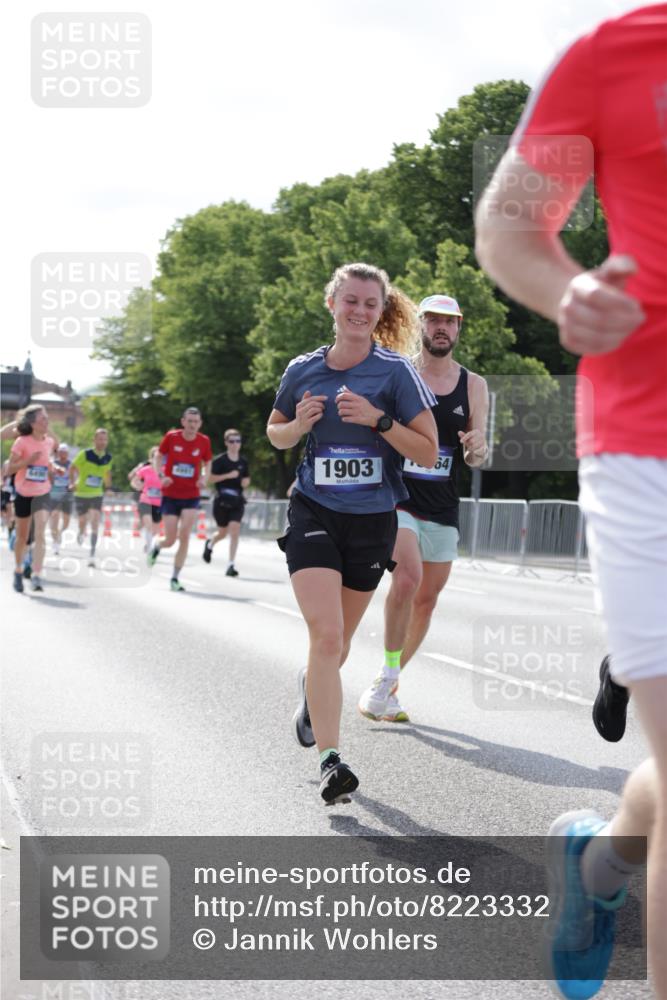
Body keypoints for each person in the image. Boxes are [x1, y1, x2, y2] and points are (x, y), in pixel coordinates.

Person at [475, 6, 667, 997]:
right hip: (647, 437)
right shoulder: (612, 55)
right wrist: (568, 294)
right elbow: (509, 228)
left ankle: (599, 867)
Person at [267, 261, 438, 805]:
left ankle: (310, 692)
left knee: (333, 646)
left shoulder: (395, 373)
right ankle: (331, 762)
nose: (360, 311)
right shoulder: (303, 369)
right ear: (332, 304)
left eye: (370, 304)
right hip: (314, 510)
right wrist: (298, 427)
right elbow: (275, 433)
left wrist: (378, 421)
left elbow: (429, 451)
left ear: (379, 311)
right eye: (351, 301)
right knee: (328, 637)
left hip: (371, 521)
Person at [358, 294, 489, 723]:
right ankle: (386, 679)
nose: (441, 328)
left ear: (458, 329)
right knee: (408, 578)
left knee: (427, 601)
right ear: (421, 325)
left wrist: (478, 448)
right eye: (433, 320)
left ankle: (387, 680)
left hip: (443, 504)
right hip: (399, 497)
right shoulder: (401, 373)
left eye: (449, 322)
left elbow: (475, 455)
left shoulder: (473, 385)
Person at [148, 407, 212, 591]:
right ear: (183, 421)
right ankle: (157, 547)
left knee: (184, 535)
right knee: (170, 539)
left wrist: (204, 478)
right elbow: (158, 456)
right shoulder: (172, 437)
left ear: (200, 424)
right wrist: (160, 475)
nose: (192, 425)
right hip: (170, 494)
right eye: (189, 421)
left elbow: (208, 463)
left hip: (191, 494)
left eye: (196, 422)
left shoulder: (204, 441)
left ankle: (175, 578)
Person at [7, 405, 56, 592]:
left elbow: (46, 464)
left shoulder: (48, 442)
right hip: (23, 493)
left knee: (40, 534)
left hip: (42, 492)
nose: (47, 421)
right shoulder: (21, 442)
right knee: (22, 537)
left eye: (47, 418)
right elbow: (10, 469)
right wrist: (28, 461)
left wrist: (53, 468)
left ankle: (37, 574)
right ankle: (18, 570)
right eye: (43, 419)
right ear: (33, 423)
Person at [202, 428, 250, 576]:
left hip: (237, 501)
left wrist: (245, 482)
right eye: (232, 441)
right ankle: (210, 543)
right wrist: (228, 475)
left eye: (238, 441)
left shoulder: (243, 461)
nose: (235, 444)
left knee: (234, 530)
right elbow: (209, 479)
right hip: (221, 500)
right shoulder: (220, 460)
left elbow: (247, 480)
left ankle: (231, 565)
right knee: (222, 533)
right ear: (226, 443)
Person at [70, 429, 113, 568]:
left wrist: (108, 488)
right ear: (94, 440)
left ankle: (92, 554)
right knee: (82, 520)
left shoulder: (108, 457)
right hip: (81, 493)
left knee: (95, 521)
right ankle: (81, 531)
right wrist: (72, 482)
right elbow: (72, 468)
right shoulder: (85, 454)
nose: (102, 442)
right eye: (100, 439)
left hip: (96, 493)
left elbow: (107, 473)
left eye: (105, 439)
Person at [130, 447, 162, 551]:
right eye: (155, 458)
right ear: (151, 459)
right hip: (145, 501)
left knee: (155, 529)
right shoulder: (145, 470)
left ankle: (149, 540)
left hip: (159, 503)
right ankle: (149, 546)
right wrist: (139, 485)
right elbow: (134, 481)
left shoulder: (166, 470)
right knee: (149, 525)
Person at [48, 443, 73, 555]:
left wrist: (73, 485)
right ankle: (55, 542)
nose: (63, 454)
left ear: (67, 453)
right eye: (61, 452)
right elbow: (48, 476)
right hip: (54, 495)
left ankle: (59, 534)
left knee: (66, 522)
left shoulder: (71, 465)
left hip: (67, 495)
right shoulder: (53, 464)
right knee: (55, 517)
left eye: (65, 452)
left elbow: (76, 478)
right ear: (58, 453)